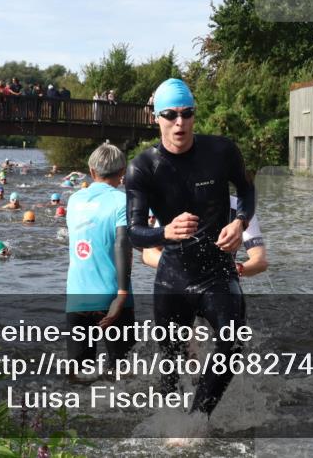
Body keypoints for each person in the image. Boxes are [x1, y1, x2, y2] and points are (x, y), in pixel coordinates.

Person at [125, 78, 255, 419]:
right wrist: (165, 232)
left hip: (216, 271)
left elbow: (246, 189)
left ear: (195, 115)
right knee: (170, 369)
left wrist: (240, 221)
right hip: (174, 277)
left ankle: (198, 421)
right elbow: (135, 233)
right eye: (170, 115)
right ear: (157, 118)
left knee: (233, 341)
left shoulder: (221, 151)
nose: (179, 122)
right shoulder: (143, 167)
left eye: (187, 114)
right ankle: (168, 424)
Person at [66, 143, 136, 379]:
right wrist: (122, 294)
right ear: (123, 171)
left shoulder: (74, 200)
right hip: (112, 295)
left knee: (78, 375)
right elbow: (121, 244)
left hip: (77, 296)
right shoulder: (123, 201)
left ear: (91, 171)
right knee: (122, 374)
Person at [141, 195, 268, 278]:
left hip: (223, 287)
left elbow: (260, 261)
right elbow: (148, 254)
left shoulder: (240, 210)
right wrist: (181, 267)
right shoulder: (173, 206)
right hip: (179, 286)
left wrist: (237, 269)